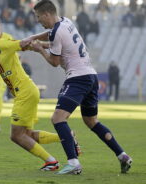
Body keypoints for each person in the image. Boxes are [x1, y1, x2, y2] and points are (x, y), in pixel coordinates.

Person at [28, 0, 132, 174]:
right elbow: (53, 38)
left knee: (58, 119)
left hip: (78, 78)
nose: (39, 21)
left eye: (39, 17)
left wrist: (40, 50)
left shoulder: (56, 32)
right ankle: (122, 155)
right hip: (91, 76)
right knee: (91, 121)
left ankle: (73, 163)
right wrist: (35, 40)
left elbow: (54, 61)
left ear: (46, 14)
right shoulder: (66, 22)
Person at [0, 18, 64, 171]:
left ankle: (51, 161)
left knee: (16, 135)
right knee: (27, 134)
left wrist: (50, 44)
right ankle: (66, 137)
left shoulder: (2, 43)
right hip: (23, 92)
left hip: (25, 93)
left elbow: (23, 44)